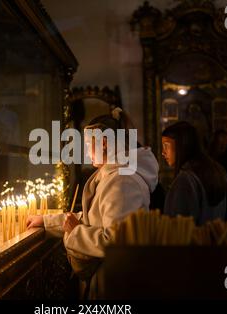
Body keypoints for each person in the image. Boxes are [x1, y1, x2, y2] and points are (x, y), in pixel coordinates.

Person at [26, 108, 159, 299]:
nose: (87, 151)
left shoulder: (122, 182)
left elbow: (117, 241)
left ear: (104, 143)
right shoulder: (113, 175)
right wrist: (46, 222)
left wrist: (76, 232)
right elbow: (95, 219)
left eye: (89, 143)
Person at [162, 121, 227, 225]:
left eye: (166, 146)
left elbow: (178, 225)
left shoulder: (185, 179)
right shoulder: (215, 171)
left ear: (180, 145)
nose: (163, 152)